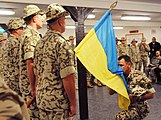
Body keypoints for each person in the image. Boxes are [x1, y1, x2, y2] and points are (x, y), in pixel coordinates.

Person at [34, 3, 76, 119]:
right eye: (65, 20)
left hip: (42, 100)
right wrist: (73, 103)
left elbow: (37, 74)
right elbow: (67, 77)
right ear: (60, 22)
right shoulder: (61, 43)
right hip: (58, 103)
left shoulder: (39, 43)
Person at [19, 5, 45, 119]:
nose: (43, 19)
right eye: (40, 16)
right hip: (32, 84)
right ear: (34, 18)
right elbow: (31, 63)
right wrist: (34, 88)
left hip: (29, 83)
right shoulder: (31, 35)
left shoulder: (26, 33)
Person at [109, 55, 155, 120]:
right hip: (128, 106)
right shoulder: (119, 77)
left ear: (129, 65)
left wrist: (138, 97)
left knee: (119, 118)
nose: (119, 68)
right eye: (118, 65)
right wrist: (112, 81)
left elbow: (152, 94)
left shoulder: (139, 75)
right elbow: (111, 92)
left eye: (121, 65)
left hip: (140, 108)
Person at [2, 18, 24, 96]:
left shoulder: (7, 42)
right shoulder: (15, 43)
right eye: (22, 28)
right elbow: (18, 64)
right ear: (16, 30)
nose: (23, 30)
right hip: (14, 82)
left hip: (7, 79)